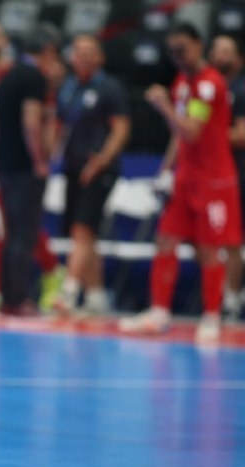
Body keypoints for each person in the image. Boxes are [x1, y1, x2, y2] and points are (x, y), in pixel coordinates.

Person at [120, 24, 241, 343]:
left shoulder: (209, 85)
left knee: (209, 250)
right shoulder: (182, 81)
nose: (178, 57)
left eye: (182, 49)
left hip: (213, 181)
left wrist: (163, 106)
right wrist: (165, 171)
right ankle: (159, 313)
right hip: (185, 178)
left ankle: (212, 317)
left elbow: (191, 131)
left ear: (199, 46)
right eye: (172, 52)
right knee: (165, 240)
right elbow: (179, 136)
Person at [52, 35, 131, 316]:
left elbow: (121, 129)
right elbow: (60, 124)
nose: (84, 56)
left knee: (82, 230)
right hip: (73, 167)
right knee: (87, 234)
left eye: (90, 52)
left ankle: (69, 292)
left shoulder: (110, 88)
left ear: (100, 58)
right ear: (72, 58)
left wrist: (102, 160)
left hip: (99, 169)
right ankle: (96, 297)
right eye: (79, 52)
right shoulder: (69, 87)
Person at [0, 24, 62, 315]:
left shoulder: (9, 75)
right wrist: (39, 161)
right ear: (47, 51)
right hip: (25, 168)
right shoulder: (35, 78)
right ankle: (18, 299)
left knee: (12, 235)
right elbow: (31, 122)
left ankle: (7, 297)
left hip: (5, 165)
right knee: (25, 235)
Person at [208, 35, 245, 318]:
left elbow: (242, 135)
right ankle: (216, 296)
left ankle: (231, 299)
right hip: (208, 174)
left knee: (232, 239)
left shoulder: (240, 90)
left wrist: (208, 134)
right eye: (217, 50)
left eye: (227, 51)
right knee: (208, 239)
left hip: (237, 174)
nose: (220, 55)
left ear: (239, 59)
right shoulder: (204, 89)